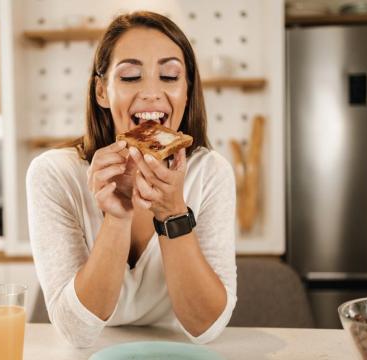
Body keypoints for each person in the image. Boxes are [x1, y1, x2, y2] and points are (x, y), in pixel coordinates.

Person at [26, 11, 237, 348]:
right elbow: (77, 334)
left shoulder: (210, 173)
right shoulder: (54, 175)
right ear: (101, 91)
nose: (152, 92)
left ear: (187, 91)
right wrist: (117, 217)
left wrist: (172, 213)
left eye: (169, 76)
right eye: (130, 76)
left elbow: (207, 328)